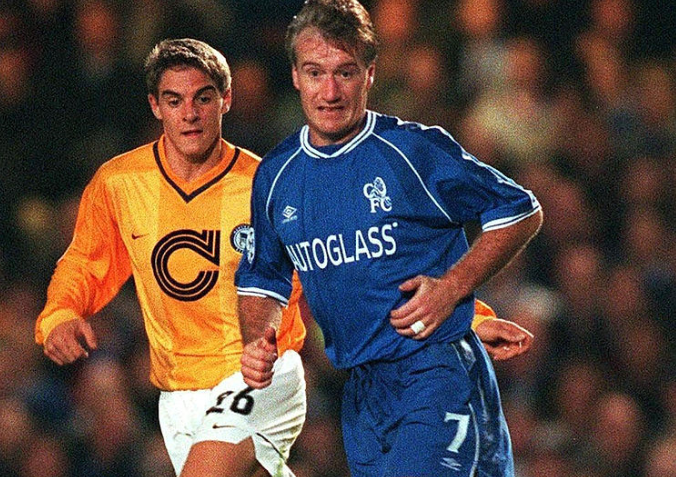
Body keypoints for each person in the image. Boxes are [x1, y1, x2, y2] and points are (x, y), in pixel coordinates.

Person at [34, 37, 532, 477]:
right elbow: (86, 261)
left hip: (261, 375)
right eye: (174, 100)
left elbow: (350, 265)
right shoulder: (119, 183)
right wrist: (60, 313)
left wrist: (468, 316)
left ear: (226, 100)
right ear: (155, 106)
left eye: (203, 98)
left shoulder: (268, 183)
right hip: (177, 393)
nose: (190, 114)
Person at [236, 1, 543, 476]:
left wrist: (451, 288)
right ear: (295, 76)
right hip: (361, 394)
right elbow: (264, 279)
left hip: (435, 372)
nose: (330, 91)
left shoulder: (412, 151)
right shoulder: (276, 176)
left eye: (345, 72)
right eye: (315, 73)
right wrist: (257, 340)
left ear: (370, 74)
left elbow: (519, 210)